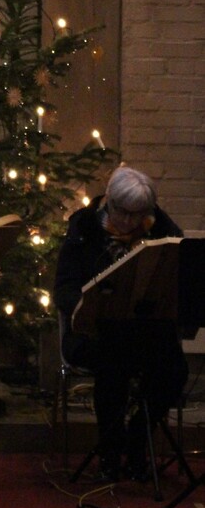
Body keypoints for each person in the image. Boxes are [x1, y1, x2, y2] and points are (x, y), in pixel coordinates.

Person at [53, 165, 188, 481]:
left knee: (175, 370)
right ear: (109, 201)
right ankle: (111, 452)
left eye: (137, 214)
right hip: (91, 333)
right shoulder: (84, 230)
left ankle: (139, 435)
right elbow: (64, 289)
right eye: (122, 212)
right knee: (114, 365)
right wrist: (88, 303)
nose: (128, 221)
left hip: (145, 331)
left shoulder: (163, 231)